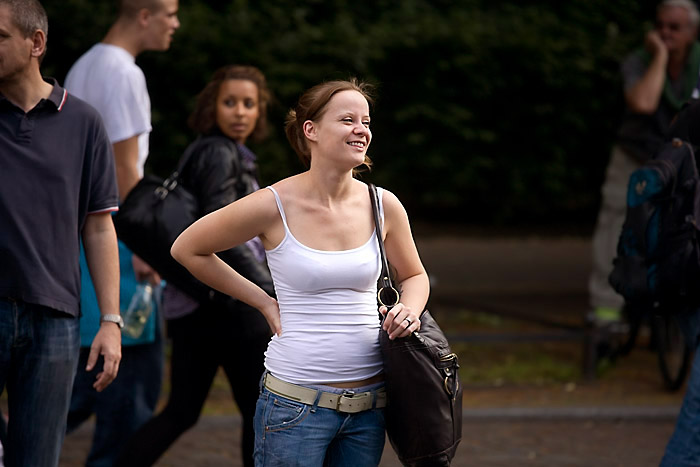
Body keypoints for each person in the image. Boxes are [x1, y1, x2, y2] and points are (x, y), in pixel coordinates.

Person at [171, 78, 430, 466]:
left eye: (367, 121)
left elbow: (415, 277)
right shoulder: (273, 203)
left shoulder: (383, 205)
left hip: (369, 411)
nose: (362, 130)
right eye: (347, 119)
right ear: (311, 130)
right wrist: (262, 301)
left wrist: (408, 309)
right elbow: (187, 248)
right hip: (294, 408)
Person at [115, 65, 275, 467]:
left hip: (196, 305)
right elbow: (222, 232)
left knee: (182, 411)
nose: (240, 111)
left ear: (259, 111)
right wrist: (267, 292)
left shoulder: (220, 151)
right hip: (230, 303)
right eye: (230, 102)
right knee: (256, 411)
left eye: (249, 104)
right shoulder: (218, 153)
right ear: (212, 107)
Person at [0, 0, 121, 465]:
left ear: (36, 43)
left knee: (38, 458)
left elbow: (98, 226)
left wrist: (110, 321)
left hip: (54, 321)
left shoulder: (84, 121)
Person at [62, 0, 180, 465]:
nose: (176, 23)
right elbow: (125, 171)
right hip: (121, 239)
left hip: (86, 234)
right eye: (170, 13)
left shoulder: (85, 64)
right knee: (129, 389)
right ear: (145, 15)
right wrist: (148, 247)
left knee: (86, 377)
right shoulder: (123, 72)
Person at [588, 0, 700, 332]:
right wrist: (662, 58)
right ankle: (605, 311)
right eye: (660, 25)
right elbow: (644, 102)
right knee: (615, 223)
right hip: (635, 156)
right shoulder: (640, 60)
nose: (665, 32)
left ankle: (679, 304)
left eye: (675, 28)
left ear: (692, 32)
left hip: (684, 161)